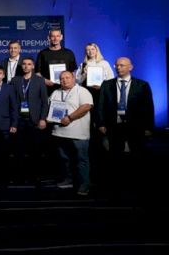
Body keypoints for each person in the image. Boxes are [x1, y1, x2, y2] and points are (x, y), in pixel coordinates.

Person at [97, 57, 154, 198]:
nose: (118, 68)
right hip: (114, 126)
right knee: (115, 157)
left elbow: (148, 107)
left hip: (136, 126)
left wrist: (148, 127)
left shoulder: (142, 85)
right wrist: (101, 123)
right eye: (116, 65)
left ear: (130, 67)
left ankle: (137, 187)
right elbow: (100, 105)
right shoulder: (107, 84)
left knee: (137, 156)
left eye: (122, 65)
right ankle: (116, 188)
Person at [75, 42, 114, 187]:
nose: (90, 51)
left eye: (92, 49)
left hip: (100, 95)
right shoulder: (83, 64)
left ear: (97, 50)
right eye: (87, 50)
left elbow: (111, 80)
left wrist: (101, 86)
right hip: (87, 95)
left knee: (100, 123)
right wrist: (84, 72)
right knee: (88, 122)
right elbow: (77, 81)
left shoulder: (104, 63)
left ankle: (103, 152)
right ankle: (90, 149)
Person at [49, 71, 93, 196]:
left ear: (73, 78)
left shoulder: (82, 91)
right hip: (59, 132)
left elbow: (86, 107)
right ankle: (68, 180)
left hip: (78, 133)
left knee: (81, 160)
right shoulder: (56, 92)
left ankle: (84, 185)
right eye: (62, 78)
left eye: (67, 77)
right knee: (65, 159)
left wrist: (69, 117)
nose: (64, 80)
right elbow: (50, 108)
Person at [9, 57, 49, 187]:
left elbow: (45, 102)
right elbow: (11, 101)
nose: (26, 66)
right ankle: (19, 177)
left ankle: (34, 177)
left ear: (33, 66)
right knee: (18, 151)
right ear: (21, 66)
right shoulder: (15, 80)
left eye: (29, 64)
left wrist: (43, 118)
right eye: (24, 64)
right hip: (19, 120)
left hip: (34, 120)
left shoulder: (39, 80)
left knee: (35, 151)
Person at [36, 28, 77, 95]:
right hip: (47, 88)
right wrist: (45, 81)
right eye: (53, 36)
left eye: (57, 36)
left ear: (61, 37)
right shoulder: (42, 53)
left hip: (66, 89)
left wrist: (72, 85)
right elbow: (37, 73)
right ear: (49, 38)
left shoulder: (69, 53)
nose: (55, 38)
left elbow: (73, 72)